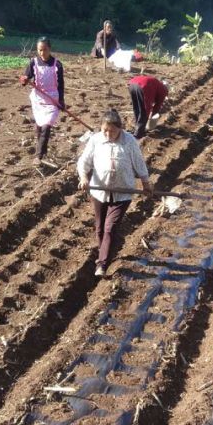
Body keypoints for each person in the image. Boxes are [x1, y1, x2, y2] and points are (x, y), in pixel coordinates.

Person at [77, 110, 153, 277]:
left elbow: (139, 163)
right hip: (99, 190)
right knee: (99, 228)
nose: (108, 134)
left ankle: (102, 264)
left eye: (111, 130)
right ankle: (105, 251)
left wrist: (146, 183)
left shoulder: (129, 141)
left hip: (123, 192)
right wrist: (84, 178)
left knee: (109, 228)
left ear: (120, 128)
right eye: (105, 130)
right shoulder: (96, 140)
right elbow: (84, 162)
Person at [20, 37, 66, 165]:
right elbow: (26, 77)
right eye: (40, 50)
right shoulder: (33, 63)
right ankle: (42, 150)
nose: (42, 53)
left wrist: (61, 101)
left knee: (46, 126)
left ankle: (38, 156)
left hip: (52, 100)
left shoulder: (57, 64)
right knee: (39, 127)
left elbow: (61, 85)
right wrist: (24, 80)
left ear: (49, 49)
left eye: (44, 50)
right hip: (38, 99)